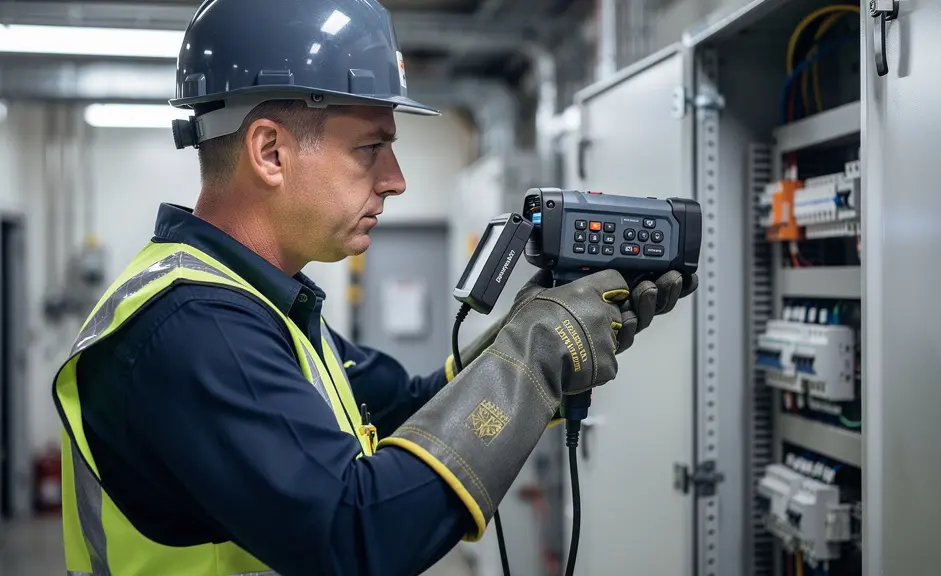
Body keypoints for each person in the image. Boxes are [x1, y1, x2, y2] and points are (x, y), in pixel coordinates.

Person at [52, 1, 698, 575]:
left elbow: (410, 409)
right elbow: (358, 539)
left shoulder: (261, 304)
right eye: (371, 148)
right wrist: (533, 354)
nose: (395, 180)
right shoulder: (196, 327)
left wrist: (534, 330)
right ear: (269, 151)